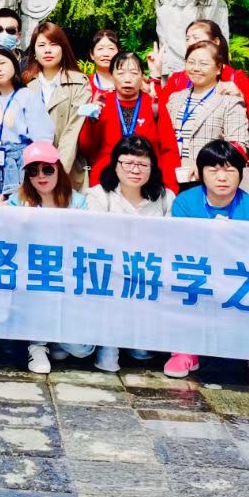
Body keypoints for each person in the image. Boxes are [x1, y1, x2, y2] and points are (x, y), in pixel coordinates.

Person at [166, 140, 249, 379]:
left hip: (239, 274)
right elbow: (179, 245)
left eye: (229, 170)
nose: (222, 177)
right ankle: (184, 349)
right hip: (198, 272)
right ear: (201, 173)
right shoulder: (185, 202)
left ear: (240, 173)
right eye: (213, 170)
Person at [86, 135, 173, 371]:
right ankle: (109, 343)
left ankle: (138, 337)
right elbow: (96, 239)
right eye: (128, 163)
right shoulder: (98, 195)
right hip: (111, 268)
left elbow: (172, 239)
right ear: (115, 165)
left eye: (143, 164)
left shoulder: (165, 197)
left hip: (149, 269)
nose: (135, 170)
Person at [7, 141, 93, 374]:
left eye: (47, 169)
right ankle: (37, 344)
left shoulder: (77, 202)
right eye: (33, 171)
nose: (41, 176)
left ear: (58, 169)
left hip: (68, 274)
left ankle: (53, 338)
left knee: (83, 349)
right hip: (31, 275)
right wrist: (18, 222)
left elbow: (86, 241)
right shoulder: (17, 201)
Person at [78, 51, 180, 191]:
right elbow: (87, 149)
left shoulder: (153, 104)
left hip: (147, 183)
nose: (127, 79)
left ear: (142, 76)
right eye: (121, 73)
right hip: (106, 183)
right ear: (111, 76)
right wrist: (92, 120)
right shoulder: (101, 104)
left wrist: (169, 188)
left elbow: (169, 150)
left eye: (134, 73)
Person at [164, 40, 249, 189]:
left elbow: (238, 145)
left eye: (203, 64)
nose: (196, 68)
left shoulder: (230, 100)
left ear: (218, 68)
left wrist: (204, 164)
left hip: (208, 181)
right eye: (191, 62)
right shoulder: (175, 98)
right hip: (171, 177)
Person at [0, 47, 54, 197]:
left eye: (2, 63)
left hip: (24, 162)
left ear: (14, 63)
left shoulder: (27, 96)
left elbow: (44, 137)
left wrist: (38, 169)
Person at [22, 22, 91, 178]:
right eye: (41, 45)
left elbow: (73, 131)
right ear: (34, 51)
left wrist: (56, 172)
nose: (47, 50)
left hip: (67, 171)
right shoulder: (25, 85)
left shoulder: (79, 83)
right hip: (32, 170)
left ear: (63, 48)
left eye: (53, 44)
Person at [153, 19, 249, 112]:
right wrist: (156, 74)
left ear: (215, 41)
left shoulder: (236, 78)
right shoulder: (177, 79)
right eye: (187, 39)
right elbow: (160, 111)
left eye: (196, 38)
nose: (190, 43)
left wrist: (240, 98)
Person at [89, 29, 121, 96]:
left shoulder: (132, 82)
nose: (106, 54)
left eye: (111, 48)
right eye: (100, 48)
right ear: (92, 54)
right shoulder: (85, 84)